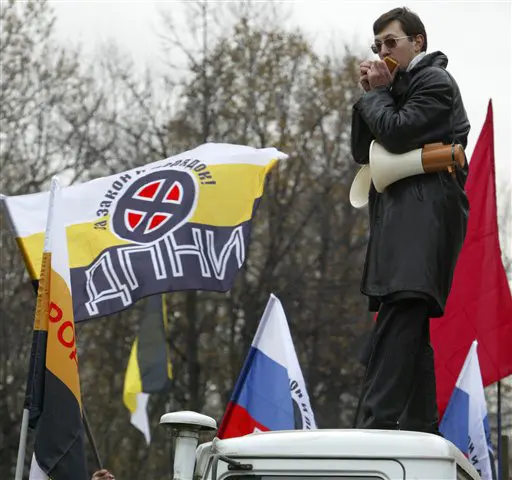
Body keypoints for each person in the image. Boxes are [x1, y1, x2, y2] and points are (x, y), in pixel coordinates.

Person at [351, 7, 470, 433]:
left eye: (391, 42)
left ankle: (373, 426)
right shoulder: (396, 88)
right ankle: (421, 427)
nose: (382, 52)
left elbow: (398, 133)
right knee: (409, 321)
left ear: (417, 42)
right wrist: (369, 94)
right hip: (405, 218)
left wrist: (377, 96)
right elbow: (363, 152)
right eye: (376, 46)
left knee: (402, 311)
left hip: (425, 216)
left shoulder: (433, 81)